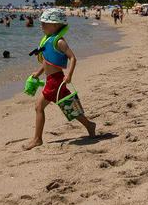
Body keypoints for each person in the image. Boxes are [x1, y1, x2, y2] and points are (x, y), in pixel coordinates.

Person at [24, 8, 96, 150]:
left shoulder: (60, 42)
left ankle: (37, 139)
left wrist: (69, 74)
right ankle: (89, 125)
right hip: (52, 80)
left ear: (56, 25)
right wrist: (37, 74)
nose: (42, 26)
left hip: (57, 80)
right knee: (68, 106)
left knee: (39, 107)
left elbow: (73, 58)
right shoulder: (48, 41)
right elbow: (47, 61)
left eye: (45, 23)